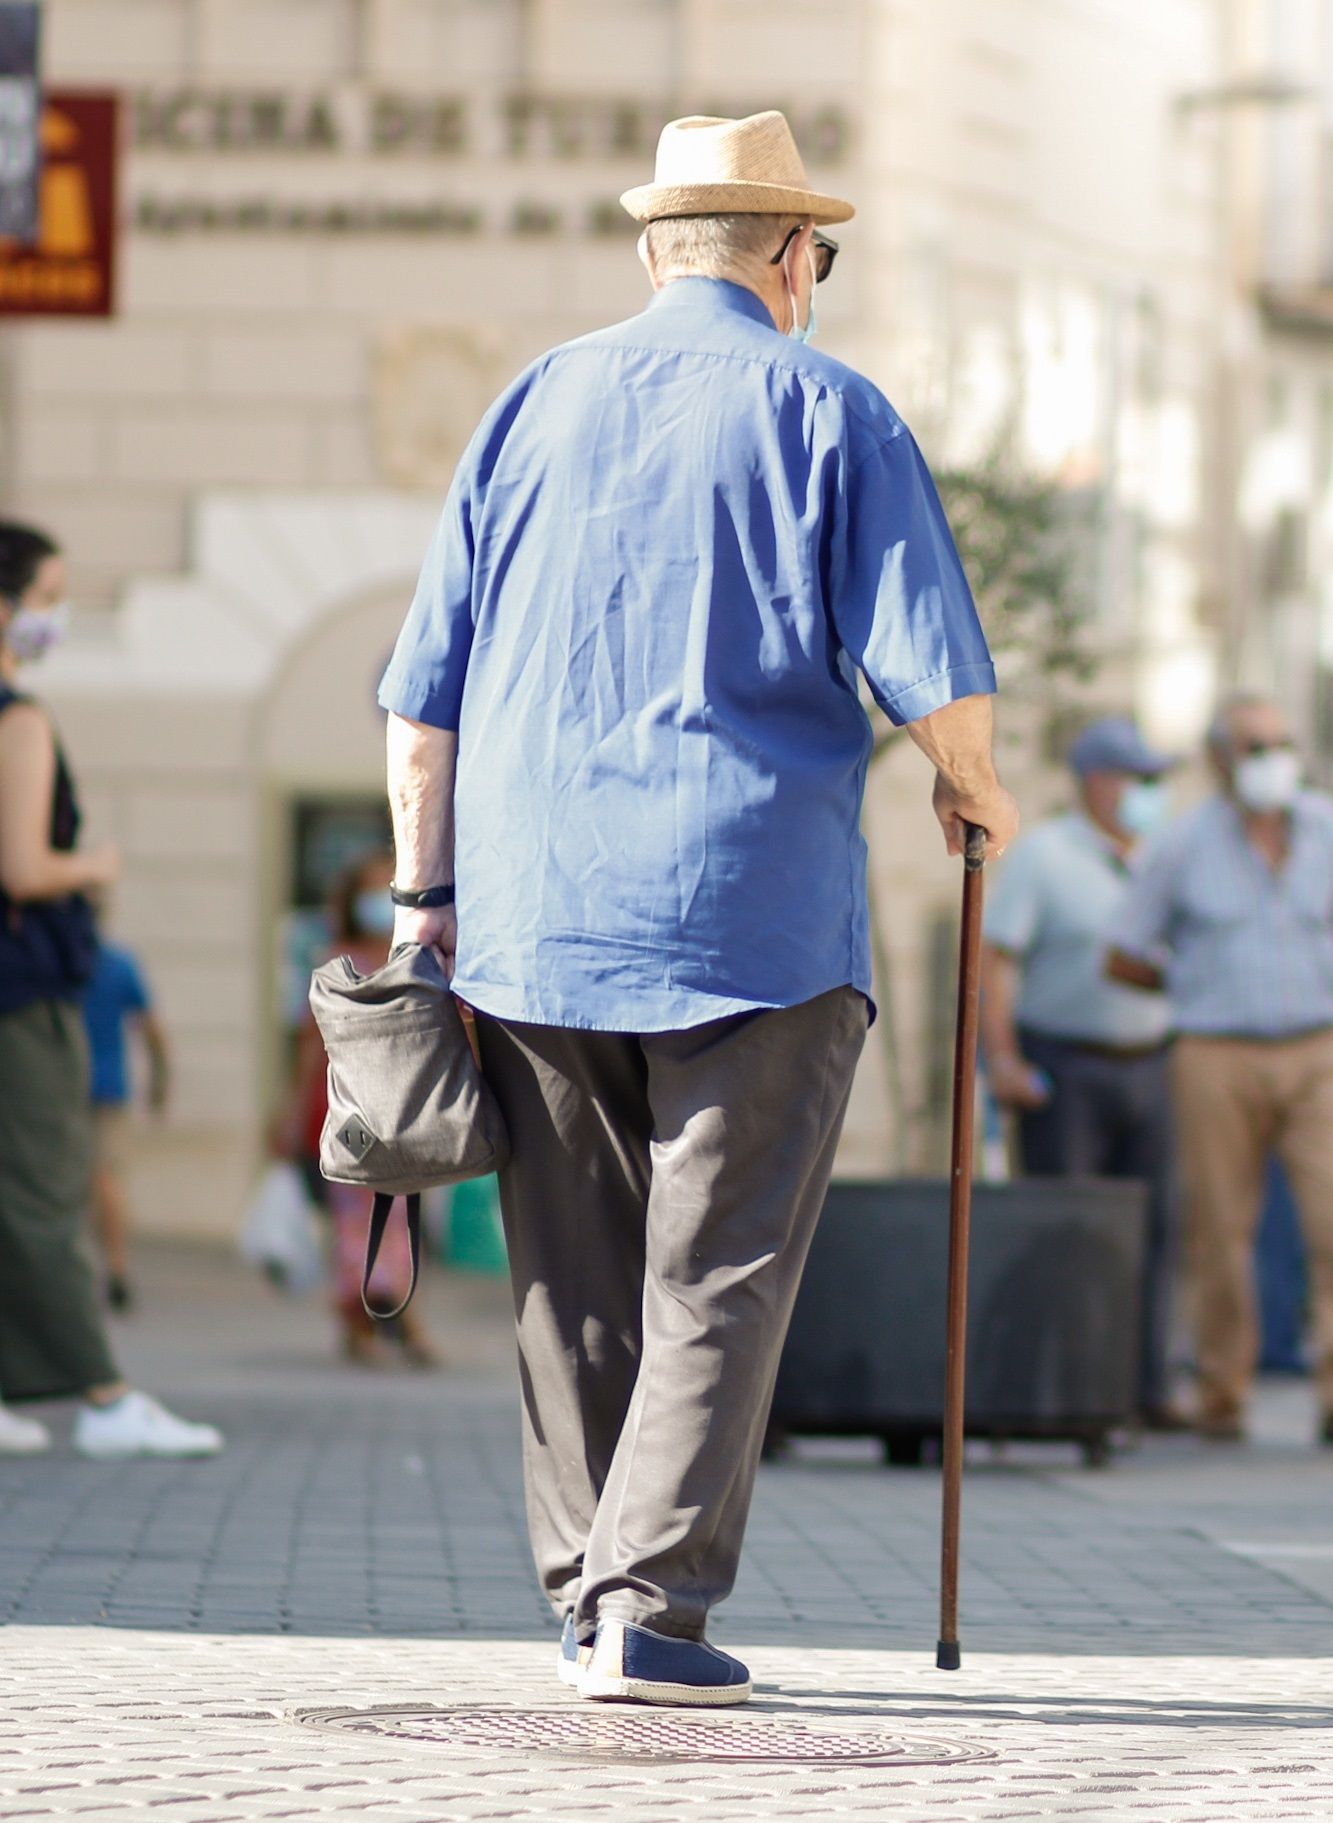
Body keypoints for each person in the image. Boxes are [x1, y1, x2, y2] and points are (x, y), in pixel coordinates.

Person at [378, 112, 1015, 1706]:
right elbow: (937, 676)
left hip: (533, 916)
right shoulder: (829, 407)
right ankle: (648, 1609)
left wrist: (424, 899)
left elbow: (420, 707)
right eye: (821, 255)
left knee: (566, 1275)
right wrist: (971, 788)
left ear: (654, 250)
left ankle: (586, 1589)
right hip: (754, 913)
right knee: (717, 1267)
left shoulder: (528, 401)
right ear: (788, 257)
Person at [1105, 695, 1333, 1448]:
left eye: (1280, 741)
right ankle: (1220, 1389)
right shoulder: (1180, 843)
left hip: (1320, 1048)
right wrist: (1192, 990)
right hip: (1216, 1050)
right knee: (1218, 1226)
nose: (1269, 757)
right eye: (1251, 745)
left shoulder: (1329, 826)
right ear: (1217, 758)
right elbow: (1123, 952)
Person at [0, 519, 221, 1460]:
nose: (56, 616)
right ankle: (101, 1393)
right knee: (48, 1189)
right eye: (48, 596)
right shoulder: (18, 718)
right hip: (22, 994)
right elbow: (22, 867)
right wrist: (93, 861)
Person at [982, 715, 1184, 1429]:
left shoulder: (1162, 855)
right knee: (1063, 1228)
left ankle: (1144, 1386)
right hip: (1064, 1063)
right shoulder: (1045, 855)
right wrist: (1002, 1058)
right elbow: (997, 960)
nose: (1152, 793)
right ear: (1098, 782)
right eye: (1141, 779)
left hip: (1150, 1061)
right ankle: (1063, 1386)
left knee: (1155, 1228)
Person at [281, 852, 433, 1369]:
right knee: (357, 1219)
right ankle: (372, 1318)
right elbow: (311, 1042)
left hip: (403, 1109)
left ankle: (384, 1315)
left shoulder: (414, 954)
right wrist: (292, 1114)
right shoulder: (336, 960)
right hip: (345, 1111)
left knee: (399, 1216)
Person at [79, 936, 168, 1313]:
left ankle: (93, 1267)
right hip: (108, 1088)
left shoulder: (57, 965)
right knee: (108, 1178)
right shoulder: (117, 964)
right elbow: (151, 1029)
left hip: (65, 1084)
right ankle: (115, 1267)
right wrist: (160, 1081)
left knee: (83, 1181)